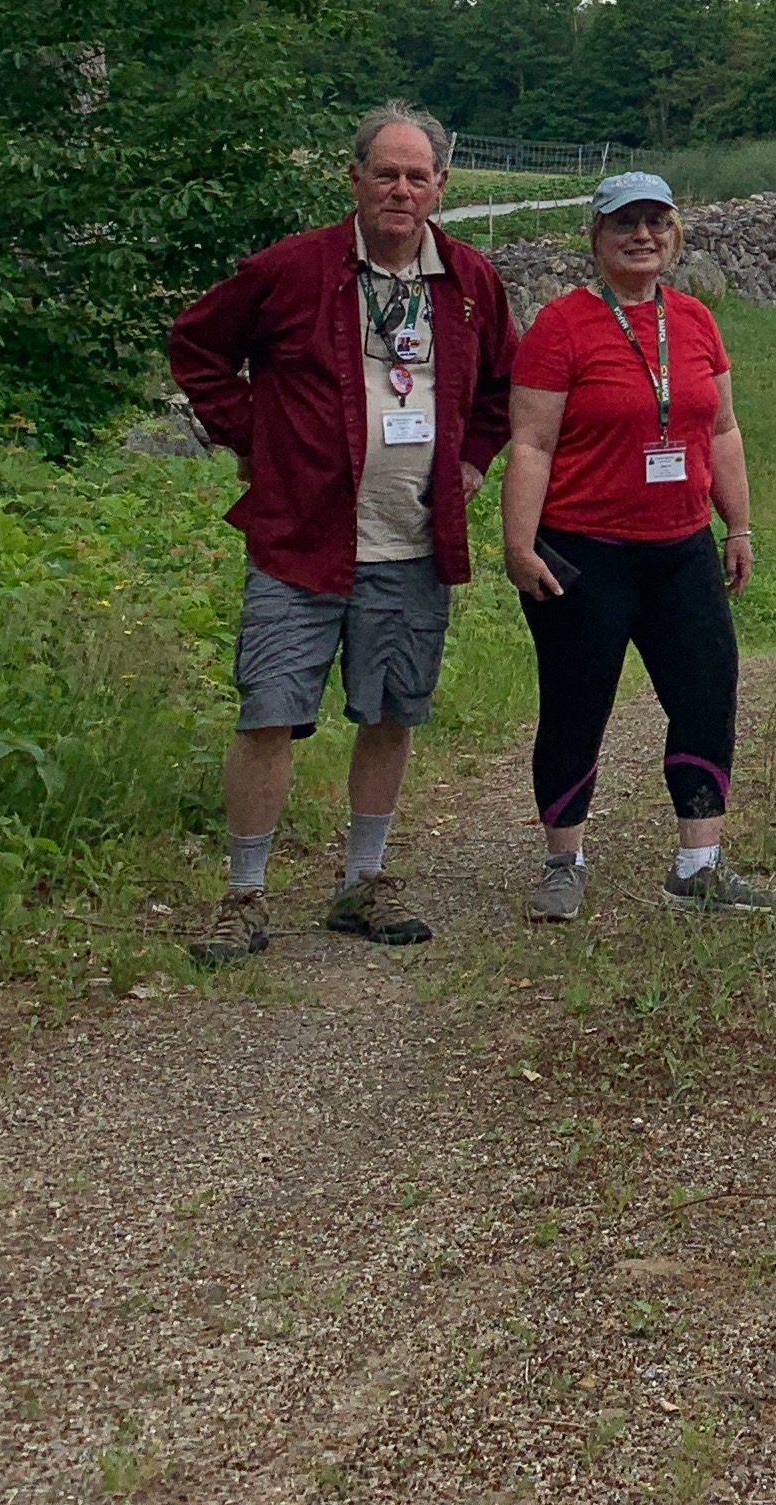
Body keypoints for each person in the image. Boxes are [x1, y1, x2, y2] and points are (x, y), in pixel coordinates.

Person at [165, 105, 515, 964]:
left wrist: (473, 460)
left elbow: (504, 386)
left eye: (417, 176)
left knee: (391, 712)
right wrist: (253, 439)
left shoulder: (469, 281)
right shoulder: (293, 269)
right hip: (302, 538)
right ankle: (243, 895)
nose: (401, 189)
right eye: (385, 173)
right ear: (354, 178)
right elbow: (197, 345)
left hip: (412, 541)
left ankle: (363, 883)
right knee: (269, 712)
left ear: (441, 187)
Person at [499, 172, 772, 920]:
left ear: (674, 234)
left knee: (706, 691)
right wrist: (519, 546)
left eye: (656, 221)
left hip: (681, 547)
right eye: (625, 223)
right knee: (576, 702)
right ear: (596, 236)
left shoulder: (694, 319)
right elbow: (532, 442)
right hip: (585, 550)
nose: (642, 236)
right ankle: (563, 863)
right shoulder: (561, 326)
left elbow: (722, 430)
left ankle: (698, 864)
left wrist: (738, 525)